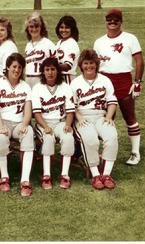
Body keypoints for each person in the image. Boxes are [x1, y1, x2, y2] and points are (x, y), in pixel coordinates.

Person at [94, 8, 144, 165]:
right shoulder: (99, 41)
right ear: (105, 21)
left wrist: (137, 82)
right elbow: (94, 64)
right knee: (106, 118)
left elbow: (139, 61)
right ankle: (107, 151)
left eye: (116, 19)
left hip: (123, 80)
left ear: (121, 21)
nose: (112, 22)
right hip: (105, 80)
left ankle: (135, 153)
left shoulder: (130, 38)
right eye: (109, 19)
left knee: (129, 116)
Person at [71, 49, 118, 190]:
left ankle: (107, 174)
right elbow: (71, 106)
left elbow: (112, 101)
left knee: (112, 136)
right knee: (91, 139)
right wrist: (79, 118)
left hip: (100, 115)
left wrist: (109, 117)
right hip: (83, 116)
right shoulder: (75, 82)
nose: (89, 66)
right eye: (86, 63)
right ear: (81, 65)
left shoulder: (105, 80)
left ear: (97, 64)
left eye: (92, 63)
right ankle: (96, 174)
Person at [0, 52, 34, 197]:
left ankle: (25, 180)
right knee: (1, 138)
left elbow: (28, 111)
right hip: (2, 122)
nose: (17, 70)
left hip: (19, 123)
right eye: (14, 67)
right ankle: (4, 177)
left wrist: (25, 124)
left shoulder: (25, 86)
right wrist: (1, 125)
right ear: (7, 67)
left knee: (28, 134)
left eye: (20, 68)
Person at [32, 57, 75, 190]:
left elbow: (70, 111)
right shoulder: (38, 88)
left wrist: (68, 125)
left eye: (53, 69)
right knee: (48, 139)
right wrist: (45, 127)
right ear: (42, 72)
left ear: (58, 71)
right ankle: (46, 175)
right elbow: (37, 114)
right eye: (47, 69)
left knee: (68, 137)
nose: (50, 72)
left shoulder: (65, 87)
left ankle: (65, 175)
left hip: (60, 122)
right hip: (43, 123)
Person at [24, 11, 56, 88]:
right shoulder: (28, 45)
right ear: (27, 28)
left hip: (41, 80)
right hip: (28, 79)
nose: (34, 29)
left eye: (37, 26)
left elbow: (55, 66)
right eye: (31, 26)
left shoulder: (48, 44)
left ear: (41, 28)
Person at [55, 15, 80, 84]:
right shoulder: (59, 42)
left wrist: (51, 65)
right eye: (61, 27)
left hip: (68, 78)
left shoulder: (72, 44)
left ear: (72, 29)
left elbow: (67, 66)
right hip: (59, 77)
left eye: (67, 28)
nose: (64, 30)